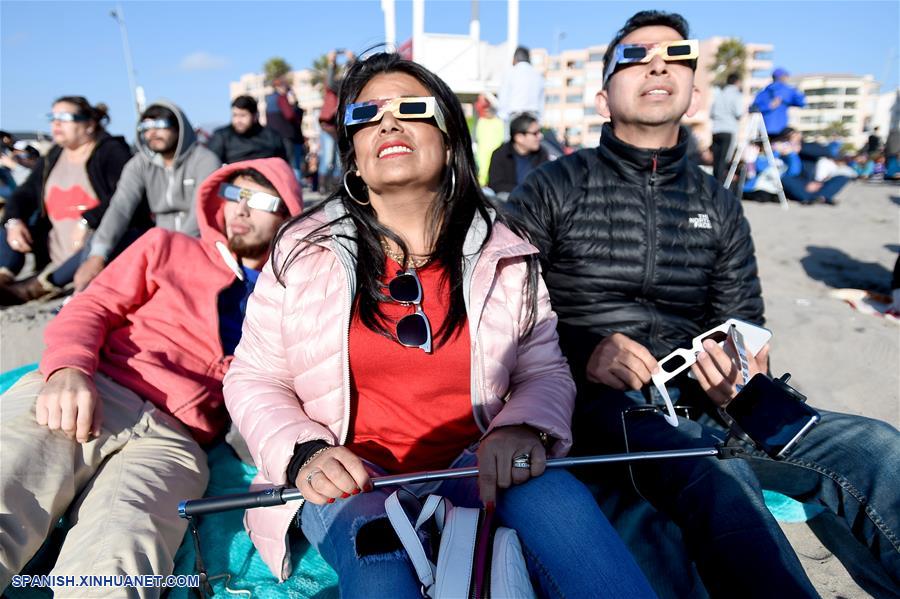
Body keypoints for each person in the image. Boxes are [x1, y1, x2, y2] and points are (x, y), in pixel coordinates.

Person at [223, 52, 656, 599]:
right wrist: (305, 453)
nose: (388, 122)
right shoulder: (300, 250)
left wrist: (520, 429)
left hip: (485, 463)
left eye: (412, 108)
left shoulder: (508, 250)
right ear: (353, 157)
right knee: (380, 570)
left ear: (450, 138)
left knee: (570, 520)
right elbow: (253, 377)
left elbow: (544, 369)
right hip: (351, 480)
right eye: (365, 114)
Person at [509, 10, 900, 597]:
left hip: (716, 404)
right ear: (601, 98)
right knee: (713, 472)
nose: (659, 63)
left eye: (677, 55)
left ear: (694, 93)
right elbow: (501, 319)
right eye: (635, 56)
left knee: (874, 447)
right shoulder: (550, 186)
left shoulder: (717, 201)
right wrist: (586, 349)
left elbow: (745, 314)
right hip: (599, 409)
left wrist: (743, 360)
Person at [0, 158, 302, 598]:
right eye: (234, 195)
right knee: (8, 490)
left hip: (175, 441)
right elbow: (91, 305)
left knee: (118, 567)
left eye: (260, 200)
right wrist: (68, 368)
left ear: (289, 211)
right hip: (97, 386)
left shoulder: (293, 290)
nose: (240, 208)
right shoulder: (167, 246)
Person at [72, 100, 221, 291]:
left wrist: (172, 252)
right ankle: (79, 294)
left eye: (160, 126)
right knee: (99, 244)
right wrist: (97, 256)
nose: (152, 133)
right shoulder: (139, 164)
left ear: (179, 128)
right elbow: (120, 207)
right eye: (146, 127)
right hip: (158, 238)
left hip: (198, 242)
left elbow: (200, 211)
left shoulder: (205, 160)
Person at [0, 97, 134, 304]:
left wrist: (87, 220)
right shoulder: (54, 154)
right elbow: (25, 193)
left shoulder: (110, 151)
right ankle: (5, 274)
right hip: (56, 248)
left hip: (95, 249)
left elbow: (125, 196)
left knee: (100, 239)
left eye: (64, 118)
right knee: (10, 217)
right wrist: (14, 221)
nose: (56, 124)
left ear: (89, 125)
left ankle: (37, 287)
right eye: (52, 118)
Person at [207, 95, 289, 164]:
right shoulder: (222, 137)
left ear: (254, 116)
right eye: (235, 115)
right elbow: (211, 164)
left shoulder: (272, 137)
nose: (238, 120)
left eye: (243, 115)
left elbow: (282, 165)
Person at [318, 50, 356, 192]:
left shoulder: (346, 87)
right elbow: (330, 81)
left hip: (339, 126)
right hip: (328, 126)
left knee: (339, 160)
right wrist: (331, 63)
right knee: (327, 158)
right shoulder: (331, 86)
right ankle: (322, 187)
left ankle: (336, 187)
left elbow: (355, 76)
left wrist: (353, 60)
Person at [487, 113, 549, 197]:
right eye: (535, 133)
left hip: (536, 201)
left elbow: (547, 182)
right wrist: (524, 191)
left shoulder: (542, 154)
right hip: (509, 201)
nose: (540, 136)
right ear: (519, 137)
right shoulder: (500, 154)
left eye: (540, 131)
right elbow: (496, 184)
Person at [266, 77, 306, 181]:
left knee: (279, 164)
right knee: (293, 164)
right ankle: (295, 188)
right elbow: (290, 115)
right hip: (287, 135)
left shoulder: (269, 99)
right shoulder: (282, 98)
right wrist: (294, 106)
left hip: (273, 136)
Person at [751, 67, 806, 138]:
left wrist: (768, 106)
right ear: (782, 77)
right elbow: (801, 103)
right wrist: (797, 91)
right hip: (781, 130)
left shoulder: (763, 92)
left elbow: (753, 108)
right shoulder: (787, 90)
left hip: (764, 129)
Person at [498, 46, 545, 127]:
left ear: (515, 58)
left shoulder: (510, 72)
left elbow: (503, 97)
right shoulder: (538, 74)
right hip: (533, 117)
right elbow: (541, 101)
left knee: (514, 139)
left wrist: (503, 117)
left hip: (514, 117)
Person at [710, 73, 743, 183]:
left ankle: (714, 185)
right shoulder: (736, 95)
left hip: (716, 130)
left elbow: (711, 113)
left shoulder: (719, 94)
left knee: (716, 160)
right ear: (737, 82)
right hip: (728, 130)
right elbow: (739, 113)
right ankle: (719, 187)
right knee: (724, 160)